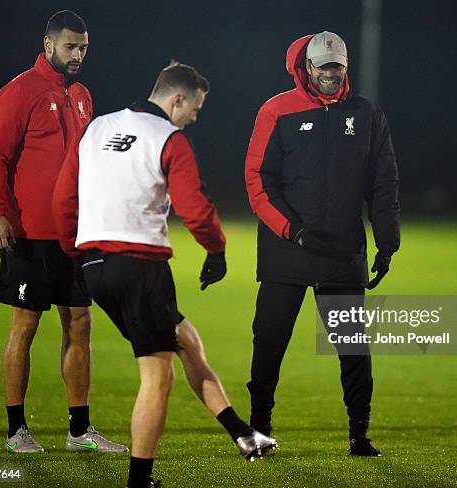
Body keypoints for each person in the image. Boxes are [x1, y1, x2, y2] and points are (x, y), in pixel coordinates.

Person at [53, 62, 276, 488]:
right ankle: (139, 482)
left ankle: (242, 434)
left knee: (186, 340)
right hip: (141, 267)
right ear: (177, 99)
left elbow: (64, 197)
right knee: (158, 375)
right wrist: (216, 250)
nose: (195, 117)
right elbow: (195, 208)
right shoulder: (168, 139)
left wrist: (75, 252)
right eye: (195, 107)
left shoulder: (96, 128)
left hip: (95, 266)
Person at [244, 31, 400, 456]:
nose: (330, 74)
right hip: (286, 250)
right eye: (323, 66)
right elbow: (258, 180)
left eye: (337, 66)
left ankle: (359, 434)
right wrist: (290, 229)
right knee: (270, 340)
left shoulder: (367, 115)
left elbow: (383, 183)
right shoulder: (276, 110)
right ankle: (258, 430)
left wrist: (387, 241)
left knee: (352, 347)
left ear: (346, 68)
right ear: (306, 68)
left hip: (340, 251)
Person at [0, 10, 126, 453]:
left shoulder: (83, 95)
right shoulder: (19, 91)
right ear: (48, 46)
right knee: (24, 326)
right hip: (28, 233)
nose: (78, 54)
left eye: (83, 47)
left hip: (74, 232)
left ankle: (79, 431)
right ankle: (15, 431)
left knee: (79, 323)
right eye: (70, 47)